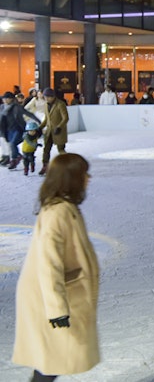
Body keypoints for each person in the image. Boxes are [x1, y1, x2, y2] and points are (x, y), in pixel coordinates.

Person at [13, 153, 100, 382]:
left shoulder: (65, 207)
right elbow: (48, 263)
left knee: (53, 358)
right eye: (84, 174)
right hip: (49, 298)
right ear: (71, 177)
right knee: (53, 359)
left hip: (59, 293)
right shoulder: (57, 213)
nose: (88, 178)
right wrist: (56, 309)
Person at [38, 88, 69, 176]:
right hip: (49, 131)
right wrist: (40, 127)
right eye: (45, 97)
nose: (46, 99)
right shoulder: (45, 105)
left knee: (61, 149)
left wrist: (59, 127)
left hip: (59, 131)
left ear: (53, 96)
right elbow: (46, 119)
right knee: (46, 149)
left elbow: (65, 118)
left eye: (48, 97)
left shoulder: (60, 104)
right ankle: (45, 166)